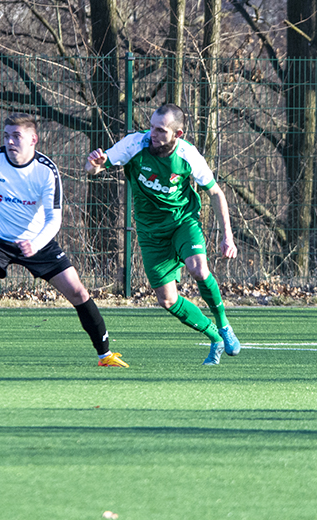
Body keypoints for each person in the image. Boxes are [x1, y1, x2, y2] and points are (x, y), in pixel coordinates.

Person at [0, 112, 128, 367]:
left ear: (33, 139)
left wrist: (36, 243)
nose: (9, 141)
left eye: (16, 136)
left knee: (78, 291)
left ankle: (105, 354)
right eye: (6, 136)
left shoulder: (46, 171)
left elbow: (55, 220)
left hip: (37, 241)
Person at [85, 103, 240, 365]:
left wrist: (228, 237)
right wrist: (94, 165)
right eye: (151, 126)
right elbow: (95, 169)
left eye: (160, 130)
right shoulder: (135, 144)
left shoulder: (188, 155)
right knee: (167, 300)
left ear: (177, 134)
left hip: (182, 222)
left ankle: (224, 326)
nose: (152, 134)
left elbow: (216, 193)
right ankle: (213, 336)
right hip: (149, 232)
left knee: (199, 269)